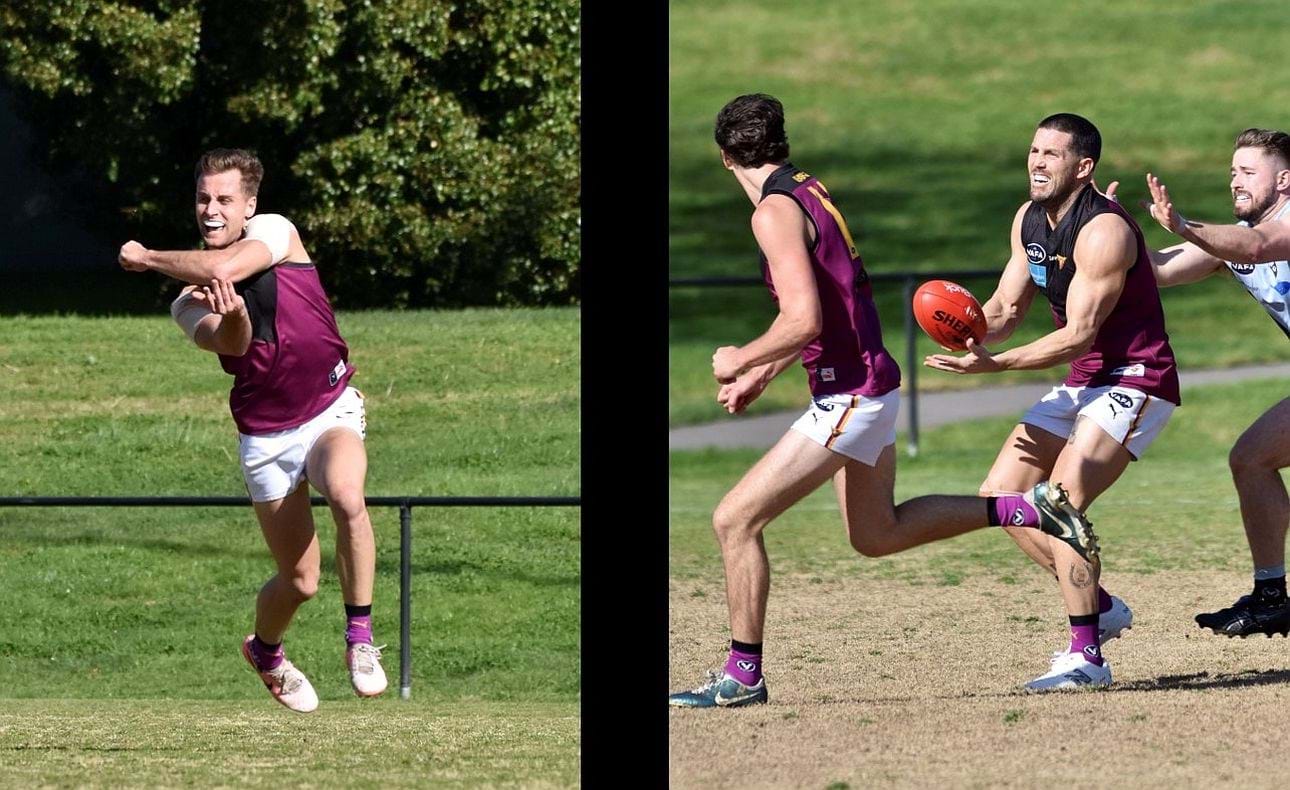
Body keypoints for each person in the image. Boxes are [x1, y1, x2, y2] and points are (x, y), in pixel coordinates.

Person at [668, 96, 1097, 709]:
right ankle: (1027, 510)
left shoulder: (771, 214)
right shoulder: (809, 190)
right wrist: (766, 372)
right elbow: (830, 310)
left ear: (723, 157)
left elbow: (803, 316)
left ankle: (742, 677)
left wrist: (742, 357)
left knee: (734, 519)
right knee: (876, 533)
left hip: (851, 393)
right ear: (779, 144)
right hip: (867, 385)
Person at [119, 148, 387, 713]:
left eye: (224, 199)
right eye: (202, 198)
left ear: (249, 205)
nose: (211, 210)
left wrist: (146, 256)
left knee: (345, 493)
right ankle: (266, 653)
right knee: (300, 581)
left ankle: (359, 638)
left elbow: (225, 267)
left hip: (327, 409)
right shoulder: (186, 303)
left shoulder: (275, 231)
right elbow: (232, 344)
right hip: (266, 438)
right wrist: (236, 315)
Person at [924, 113, 1181, 690]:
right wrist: (966, 331)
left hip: (1135, 378)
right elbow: (1006, 310)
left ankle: (1086, 657)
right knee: (1001, 495)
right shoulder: (1029, 219)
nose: (1037, 163)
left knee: (1059, 501)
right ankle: (1103, 606)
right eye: (1033, 151)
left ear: (1083, 168)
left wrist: (996, 365)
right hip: (1085, 379)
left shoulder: (1104, 232)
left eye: (1052, 155)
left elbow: (1078, 333)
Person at [1128, 128, 1290, 638]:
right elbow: (1157, 270)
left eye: (1248, 172)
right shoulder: (1230, 239)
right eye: (1232, 173)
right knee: (1251, 459)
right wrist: (1108, 227)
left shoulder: (1272, 228)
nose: (1235, 182)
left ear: (1284, 180)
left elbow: (1261, 244)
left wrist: (1182, 224)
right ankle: (1271, 598)